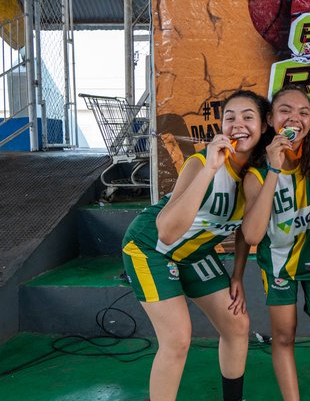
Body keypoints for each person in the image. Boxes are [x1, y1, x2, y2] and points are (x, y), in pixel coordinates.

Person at [121, 90, 271, 401]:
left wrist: (238, 275)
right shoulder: (201, 163)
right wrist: (210, 169)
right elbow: (166, 232)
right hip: (150, 248)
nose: (238, 124)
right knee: (177, 339)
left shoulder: (259, 173)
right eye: (229, 117)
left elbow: (246, 229)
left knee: (237, 324)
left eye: (248, 117)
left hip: (194, 254)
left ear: (264, 126)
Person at [242, 85, 310, 401]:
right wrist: (274, 167)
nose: (295, 118)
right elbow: (252, 236)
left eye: (304, 112)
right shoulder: (256, 172)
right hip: (278, 264)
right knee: (284, 337)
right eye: (285, 110)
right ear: (270, 119)